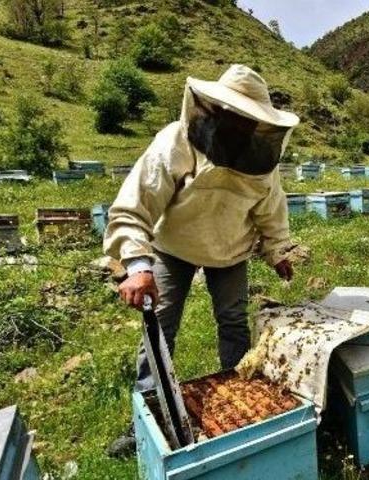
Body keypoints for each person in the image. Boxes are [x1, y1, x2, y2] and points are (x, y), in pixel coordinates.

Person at [103, 64, 299, 457]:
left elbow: (270, 212)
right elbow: (134, 207)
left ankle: (240, 402)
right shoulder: (176, 141)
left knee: (233, 325)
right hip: (172, 248)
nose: (243, 126)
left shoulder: (262, 159)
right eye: (237, 116)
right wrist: (138, 266)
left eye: (252, 121)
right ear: (217, 109)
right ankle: (146, 417)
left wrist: (277, 251)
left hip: (231, 252)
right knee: (159, 329)